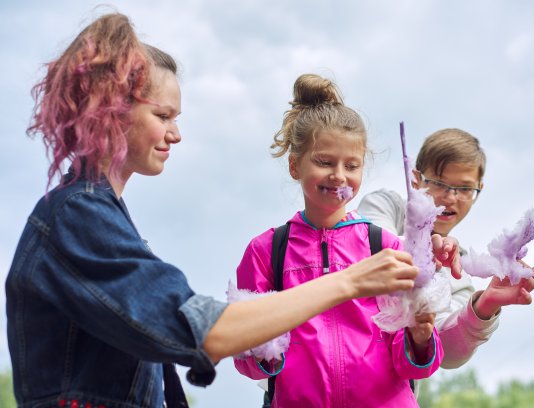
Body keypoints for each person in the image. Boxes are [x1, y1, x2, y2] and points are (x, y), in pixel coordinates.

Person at [5, 14, 421, 408]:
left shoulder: (95, 214)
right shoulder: (77, 217)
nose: (176, 133)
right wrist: (348, 281)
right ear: (110, 110)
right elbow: (203, 332)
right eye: (162, 115)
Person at [233, 74, 453, 408]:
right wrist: (263, 349)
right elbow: (246, 358)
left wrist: (419, 338)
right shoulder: (266, 252)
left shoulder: (386, 247)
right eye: (324, 162)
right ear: (295, 165)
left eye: (352, 165)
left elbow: (411, 364)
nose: (339, 175)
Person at [358, 128, 534, 380]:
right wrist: (426, 250)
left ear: (478, 191)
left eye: (464, 188)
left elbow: (447, 353)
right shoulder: (385, 206)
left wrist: (485, 306)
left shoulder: (459, 270)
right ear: (416, 179)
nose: (450, 198)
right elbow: (373, 248)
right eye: (438, 183)